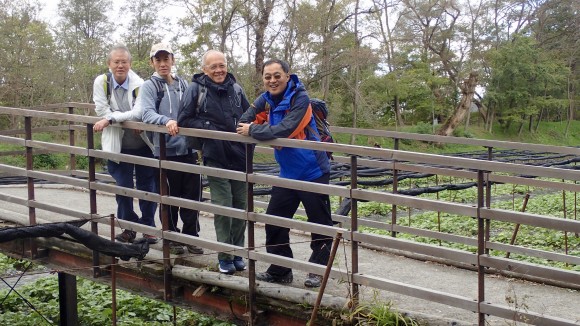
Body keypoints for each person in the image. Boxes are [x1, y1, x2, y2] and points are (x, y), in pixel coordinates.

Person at [236, 59, 332, 288]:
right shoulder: (265, 99)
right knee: (274, 221)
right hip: (288, 172)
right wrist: (258, 128)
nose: (272, 80)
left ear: (287, 76)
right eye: (267, 76)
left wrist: (257, 130)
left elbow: (285, 129)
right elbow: (243, 121)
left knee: (319, 223)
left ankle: (316, 270)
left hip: (313, 170)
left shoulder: (301, 98)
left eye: (277, 75)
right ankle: (280, 269)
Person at [178, 50, 251, 274]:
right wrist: (210, 129)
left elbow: (250, 115)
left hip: (239, 155)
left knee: (241, 206)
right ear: (205, 69)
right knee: (223, 206)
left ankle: (237, 252)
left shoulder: (236, 89)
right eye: (213, 67)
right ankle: (225, 256)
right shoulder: (196, 89)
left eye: (222, 65)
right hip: (215, 155)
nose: (219, 70)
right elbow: (184, 119)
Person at [141, 42, 203, 255]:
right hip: (165, 152)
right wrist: (166, 120)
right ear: (152, 62)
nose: (162, 64)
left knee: (191, 197)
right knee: (168, 198)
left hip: (189, 150)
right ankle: (172, 237)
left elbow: (194, 110)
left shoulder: (184, 84)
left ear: (173, 60)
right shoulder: (150, 86)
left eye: (166, 59)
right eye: (158, 60)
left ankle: (191, 236)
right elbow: (146, 113)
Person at [92, 44, 158, 244]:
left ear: (130, 64)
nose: (120, 65)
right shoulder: (102, 83)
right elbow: (100, 110)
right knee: (123, 187)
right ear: (109, 64)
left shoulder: (140, 84)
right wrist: (123, 120)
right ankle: (128, 227)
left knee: (148, 187)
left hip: (142, 144)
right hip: (118, 145)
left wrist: (113, 119)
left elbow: (139, 112)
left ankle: (148, 228)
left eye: (124, 62)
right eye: (116, 62)